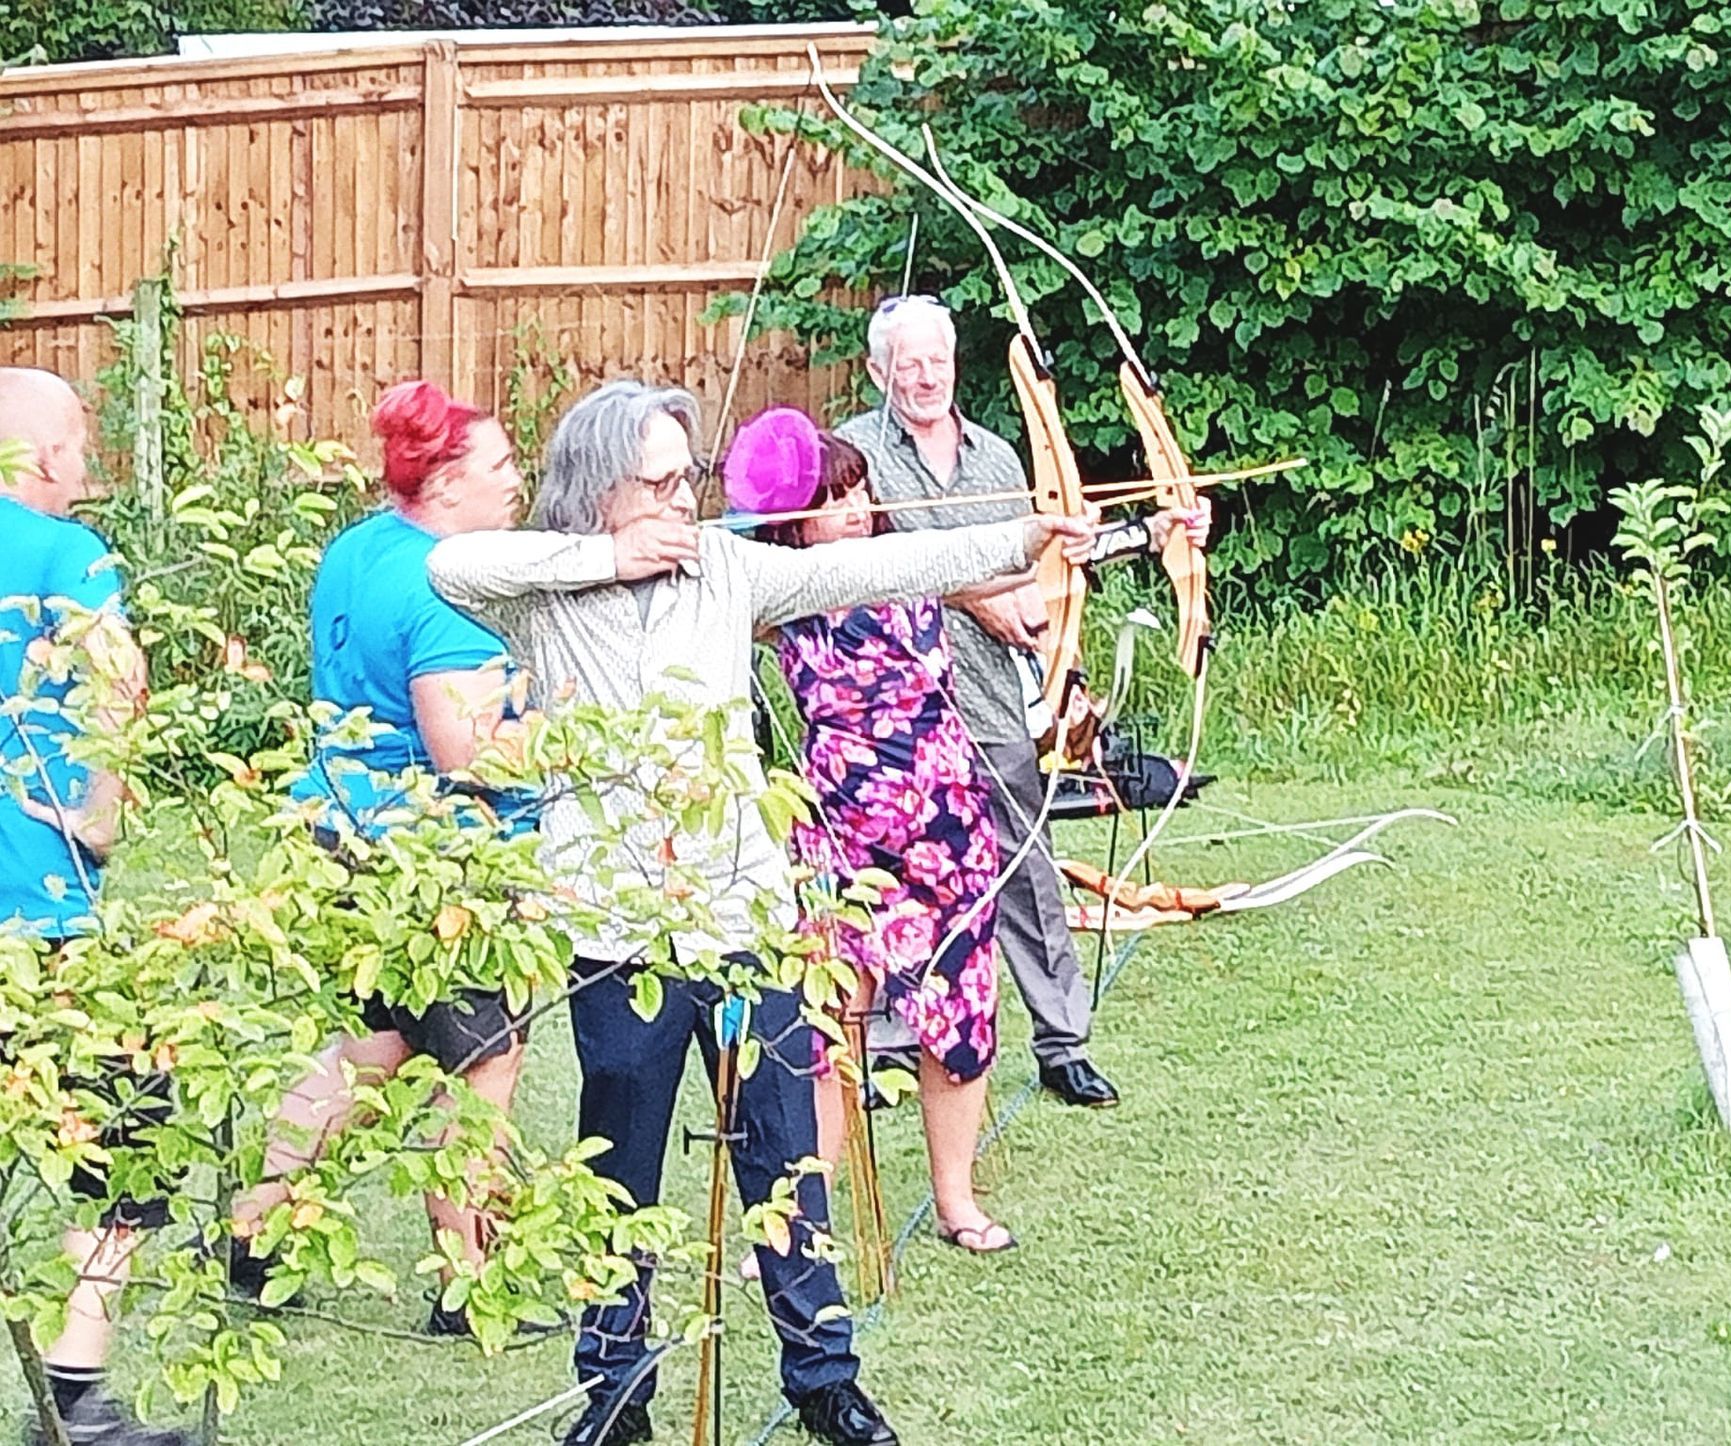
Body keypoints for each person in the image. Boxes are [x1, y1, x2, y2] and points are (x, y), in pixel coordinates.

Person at [425, 380, 1097, 1446]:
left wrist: (1023, 533)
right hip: (620, 931)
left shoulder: (729, 566)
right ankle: (615, 1395)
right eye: (653, 481)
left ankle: (824, 1377)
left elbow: (866, 563)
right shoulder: (545, 586)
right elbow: (451, 562)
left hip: (744, 922)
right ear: (600, 489)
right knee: (619, 1169)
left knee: (786, 1158)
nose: (676, 499)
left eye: (684, 478)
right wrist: (612, 558)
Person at [837, 296, 1211, 1109]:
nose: (926, 375)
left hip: (993, 704)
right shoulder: (853, 456)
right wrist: (979, 597)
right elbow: (875, 556)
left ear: (956, 364)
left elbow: (1046, 562)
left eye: (938, 359)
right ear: (878, 372)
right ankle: (897, 1043)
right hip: (897, 710)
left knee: (1026, 871)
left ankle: (1063, 1041)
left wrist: (1159, 530)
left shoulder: (1002, 457)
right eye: (908, 362)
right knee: (904, 876)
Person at [229, 380, 533, 1335]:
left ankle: (251, 1231)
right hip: (433, 860)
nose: (516, 481)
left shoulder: (357, 548)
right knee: (487, 1061)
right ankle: (464, 1281)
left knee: (377, 1050)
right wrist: (564, 724)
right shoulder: (448, 583)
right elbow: (467, 753)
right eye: (498, 467)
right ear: (445, 484)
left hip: (343, 832)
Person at [726, 409, 1012, 1254]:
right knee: (826, 1026)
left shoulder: (909, 566)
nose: (852, 511)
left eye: (860, 494)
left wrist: (1148, 531)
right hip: (841, 840)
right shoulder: (783, 590)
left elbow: (1010, 563)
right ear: (795, 521)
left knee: (957, 1016)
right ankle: (799, 1225)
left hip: (946, 831)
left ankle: (957, 1202)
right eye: (830, 499)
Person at [0, 366, 182, 1445]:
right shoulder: (69, 556)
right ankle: (76, 1395)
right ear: (41, 454)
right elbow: (121, 679)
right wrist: (99, 814)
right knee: (130, 1142)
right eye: (78, 437)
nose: (90, 456)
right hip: (38, 907)